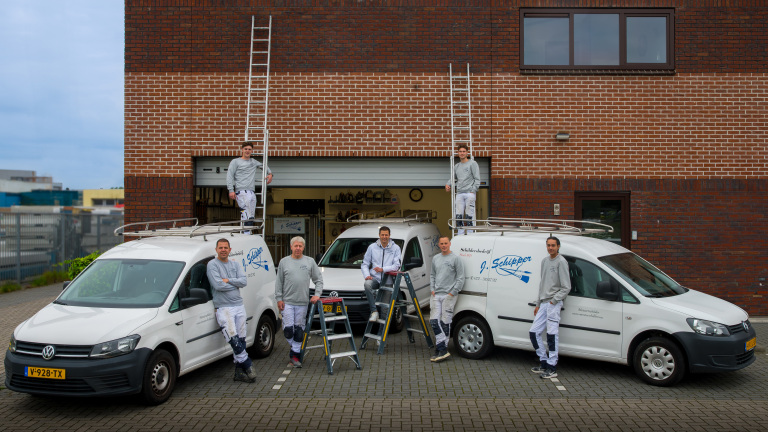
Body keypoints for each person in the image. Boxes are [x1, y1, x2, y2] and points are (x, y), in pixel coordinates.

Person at [206, 238, 258, 383]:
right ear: (216, 250)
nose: (223, 250)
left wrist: (228, 280)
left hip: (239, 305)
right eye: (220, 247)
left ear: (230, 249)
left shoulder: (235, 264)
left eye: (225, 247)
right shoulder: (212, 265)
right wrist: (234, 283)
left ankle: (238, 373)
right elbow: (218, 286)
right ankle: (247, 364)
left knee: (241, 338)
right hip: (224, 307)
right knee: (233, 338)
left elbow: (244, 281)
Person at [275, 236, 323, 368]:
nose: (297, 248)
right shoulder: (284, 262)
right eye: (295, 246)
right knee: (288, 330)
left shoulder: (310, 262)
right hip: (287, 302)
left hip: (302, 302)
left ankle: (295, 356)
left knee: (299, 330)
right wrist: (279, 299)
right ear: (291, 247)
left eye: (300, 246)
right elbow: (278, 282)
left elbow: (318, 280)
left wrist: (317, 295)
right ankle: (297, 349)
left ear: (303, 247)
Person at [529, 236, 571, 379]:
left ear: (558, 246)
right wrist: (538, 303)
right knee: (534, 332)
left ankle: (552, 367)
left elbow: (566, 287)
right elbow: (542, 284)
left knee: (552, 335)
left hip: (553, 303)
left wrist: (554, 301)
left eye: (553, 245)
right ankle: (544, 362)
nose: (550, 248)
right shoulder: (544, 261)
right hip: (543, 303)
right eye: (548, 245)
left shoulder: (561, 262)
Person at [429, 236, 465, 363]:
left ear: (449, 244)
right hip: (436, 294)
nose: (444, 245)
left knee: (445, 322)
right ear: (438, 245)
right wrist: (432, 289)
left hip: (449, 295)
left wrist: (452, 293)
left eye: (446, 243)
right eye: (441, 243)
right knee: (434, 321)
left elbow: (461, 277)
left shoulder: (456, 259)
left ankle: (441, 349)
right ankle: (442, 348)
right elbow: (432, 275)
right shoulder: (436, 258)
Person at [226, 141, 273, 232]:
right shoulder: (235, 161)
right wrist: (231, 190)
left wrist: (270, 174)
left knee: (251, 216)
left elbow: (264, 166)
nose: (247, 151)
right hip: (241, 192)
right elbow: (229, 175)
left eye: (249, 149)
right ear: (242, 150)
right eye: (246, 149)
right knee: (246, 215)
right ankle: (246, 234)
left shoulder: (253, 162)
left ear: (252, 151)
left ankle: (248, 233)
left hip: (251, 192)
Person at [361, 226, 402, 322]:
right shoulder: (372, 247)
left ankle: (381, 335)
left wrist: (382, 269)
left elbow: (397, 266)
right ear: (379, 235)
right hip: (375, 278)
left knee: (385, 309)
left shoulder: (396, 248)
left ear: (389, 235)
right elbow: (364, 264)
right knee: (367, 284)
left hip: (388, 281)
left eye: (386, 235)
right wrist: (367, 275)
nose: (384, 237)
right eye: (382, 235)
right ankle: (374, 311)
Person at [446, 144, 480, 235]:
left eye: (464, 151)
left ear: (467, 152)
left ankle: (470, 234)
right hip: (460, 193)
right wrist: (448, 184)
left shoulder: (473, 163)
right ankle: (460, 234)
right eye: (460, 151)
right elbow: (453, 178)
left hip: (469, 193)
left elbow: (477, 178)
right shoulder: (457, 166)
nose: (462, 153)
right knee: (459, 215)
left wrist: (473, 190)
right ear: (458, 153)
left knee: (469, 215)